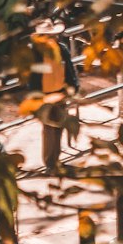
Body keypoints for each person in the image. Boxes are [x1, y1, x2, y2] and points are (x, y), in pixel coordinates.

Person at [30, 18, 79, 168]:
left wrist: (73, 86)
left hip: (60, 93)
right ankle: (50, 162)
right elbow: (32, 76)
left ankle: (55, 160)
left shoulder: (62, 49)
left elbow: (69, 70)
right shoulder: (35, 53)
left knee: (58, 127)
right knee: (49, 130)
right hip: (44, 96)